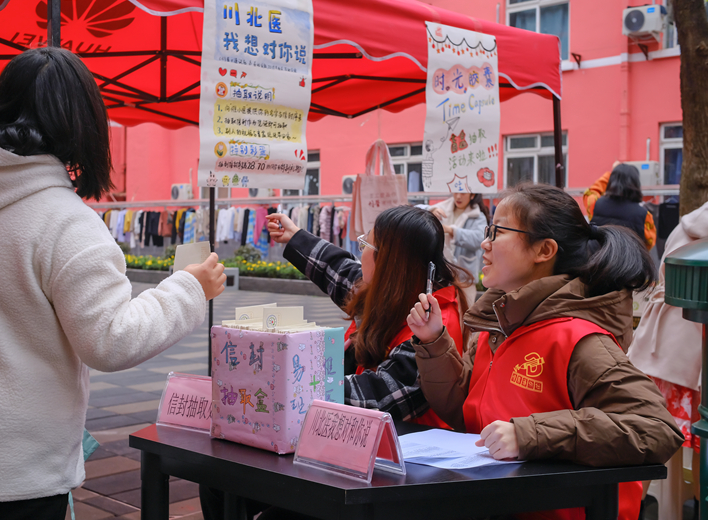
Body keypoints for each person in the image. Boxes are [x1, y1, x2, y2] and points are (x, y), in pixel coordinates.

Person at [0, 48, 225, 520]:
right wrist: (189, 287)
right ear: (83, 124)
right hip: (11, 478)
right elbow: (112, 340)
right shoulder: (66, 223)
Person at [407, 184, 683, 520]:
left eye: (498, 231)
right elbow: (463, 410)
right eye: (487, 230)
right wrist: (434, 341)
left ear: (545, 250)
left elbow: (654, 428)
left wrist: (531, 435)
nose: (485, 243)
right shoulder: (497, 324)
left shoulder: (580, 339)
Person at [198, 205, 470, 520]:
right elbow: (341, 271)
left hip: (396, 474)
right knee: (218, 481)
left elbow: (378, 396)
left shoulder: (435, 322)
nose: (360, 252)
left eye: (367, 245)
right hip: (348, 447)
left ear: (389, 263)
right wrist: (295, 237)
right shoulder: (393, 292)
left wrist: (286, 386)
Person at [628, 199, 708, 520]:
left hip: (659, 351)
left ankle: (632, 511)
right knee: (701, 444)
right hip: (695, 355)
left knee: (653, 444)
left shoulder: (686, 224)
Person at [425, 192, 491, 304]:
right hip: (442, 274)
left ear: (472, 195)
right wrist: (431, 210)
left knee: (465, 313)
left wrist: (451, 230)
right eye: (456, 192)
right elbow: (418, 209)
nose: (458, 196)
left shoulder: (478, 216)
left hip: (465, 278)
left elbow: (478, 239)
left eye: (463, 193)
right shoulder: (442, 207)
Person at [584, 163, 657, 250]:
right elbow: (649, 243)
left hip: (597, 260)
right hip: (629, 262)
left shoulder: (595, 204)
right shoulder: (644, 215)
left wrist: (612, 173)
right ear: (636, 184)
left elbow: (591, 192)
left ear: (611, 181)